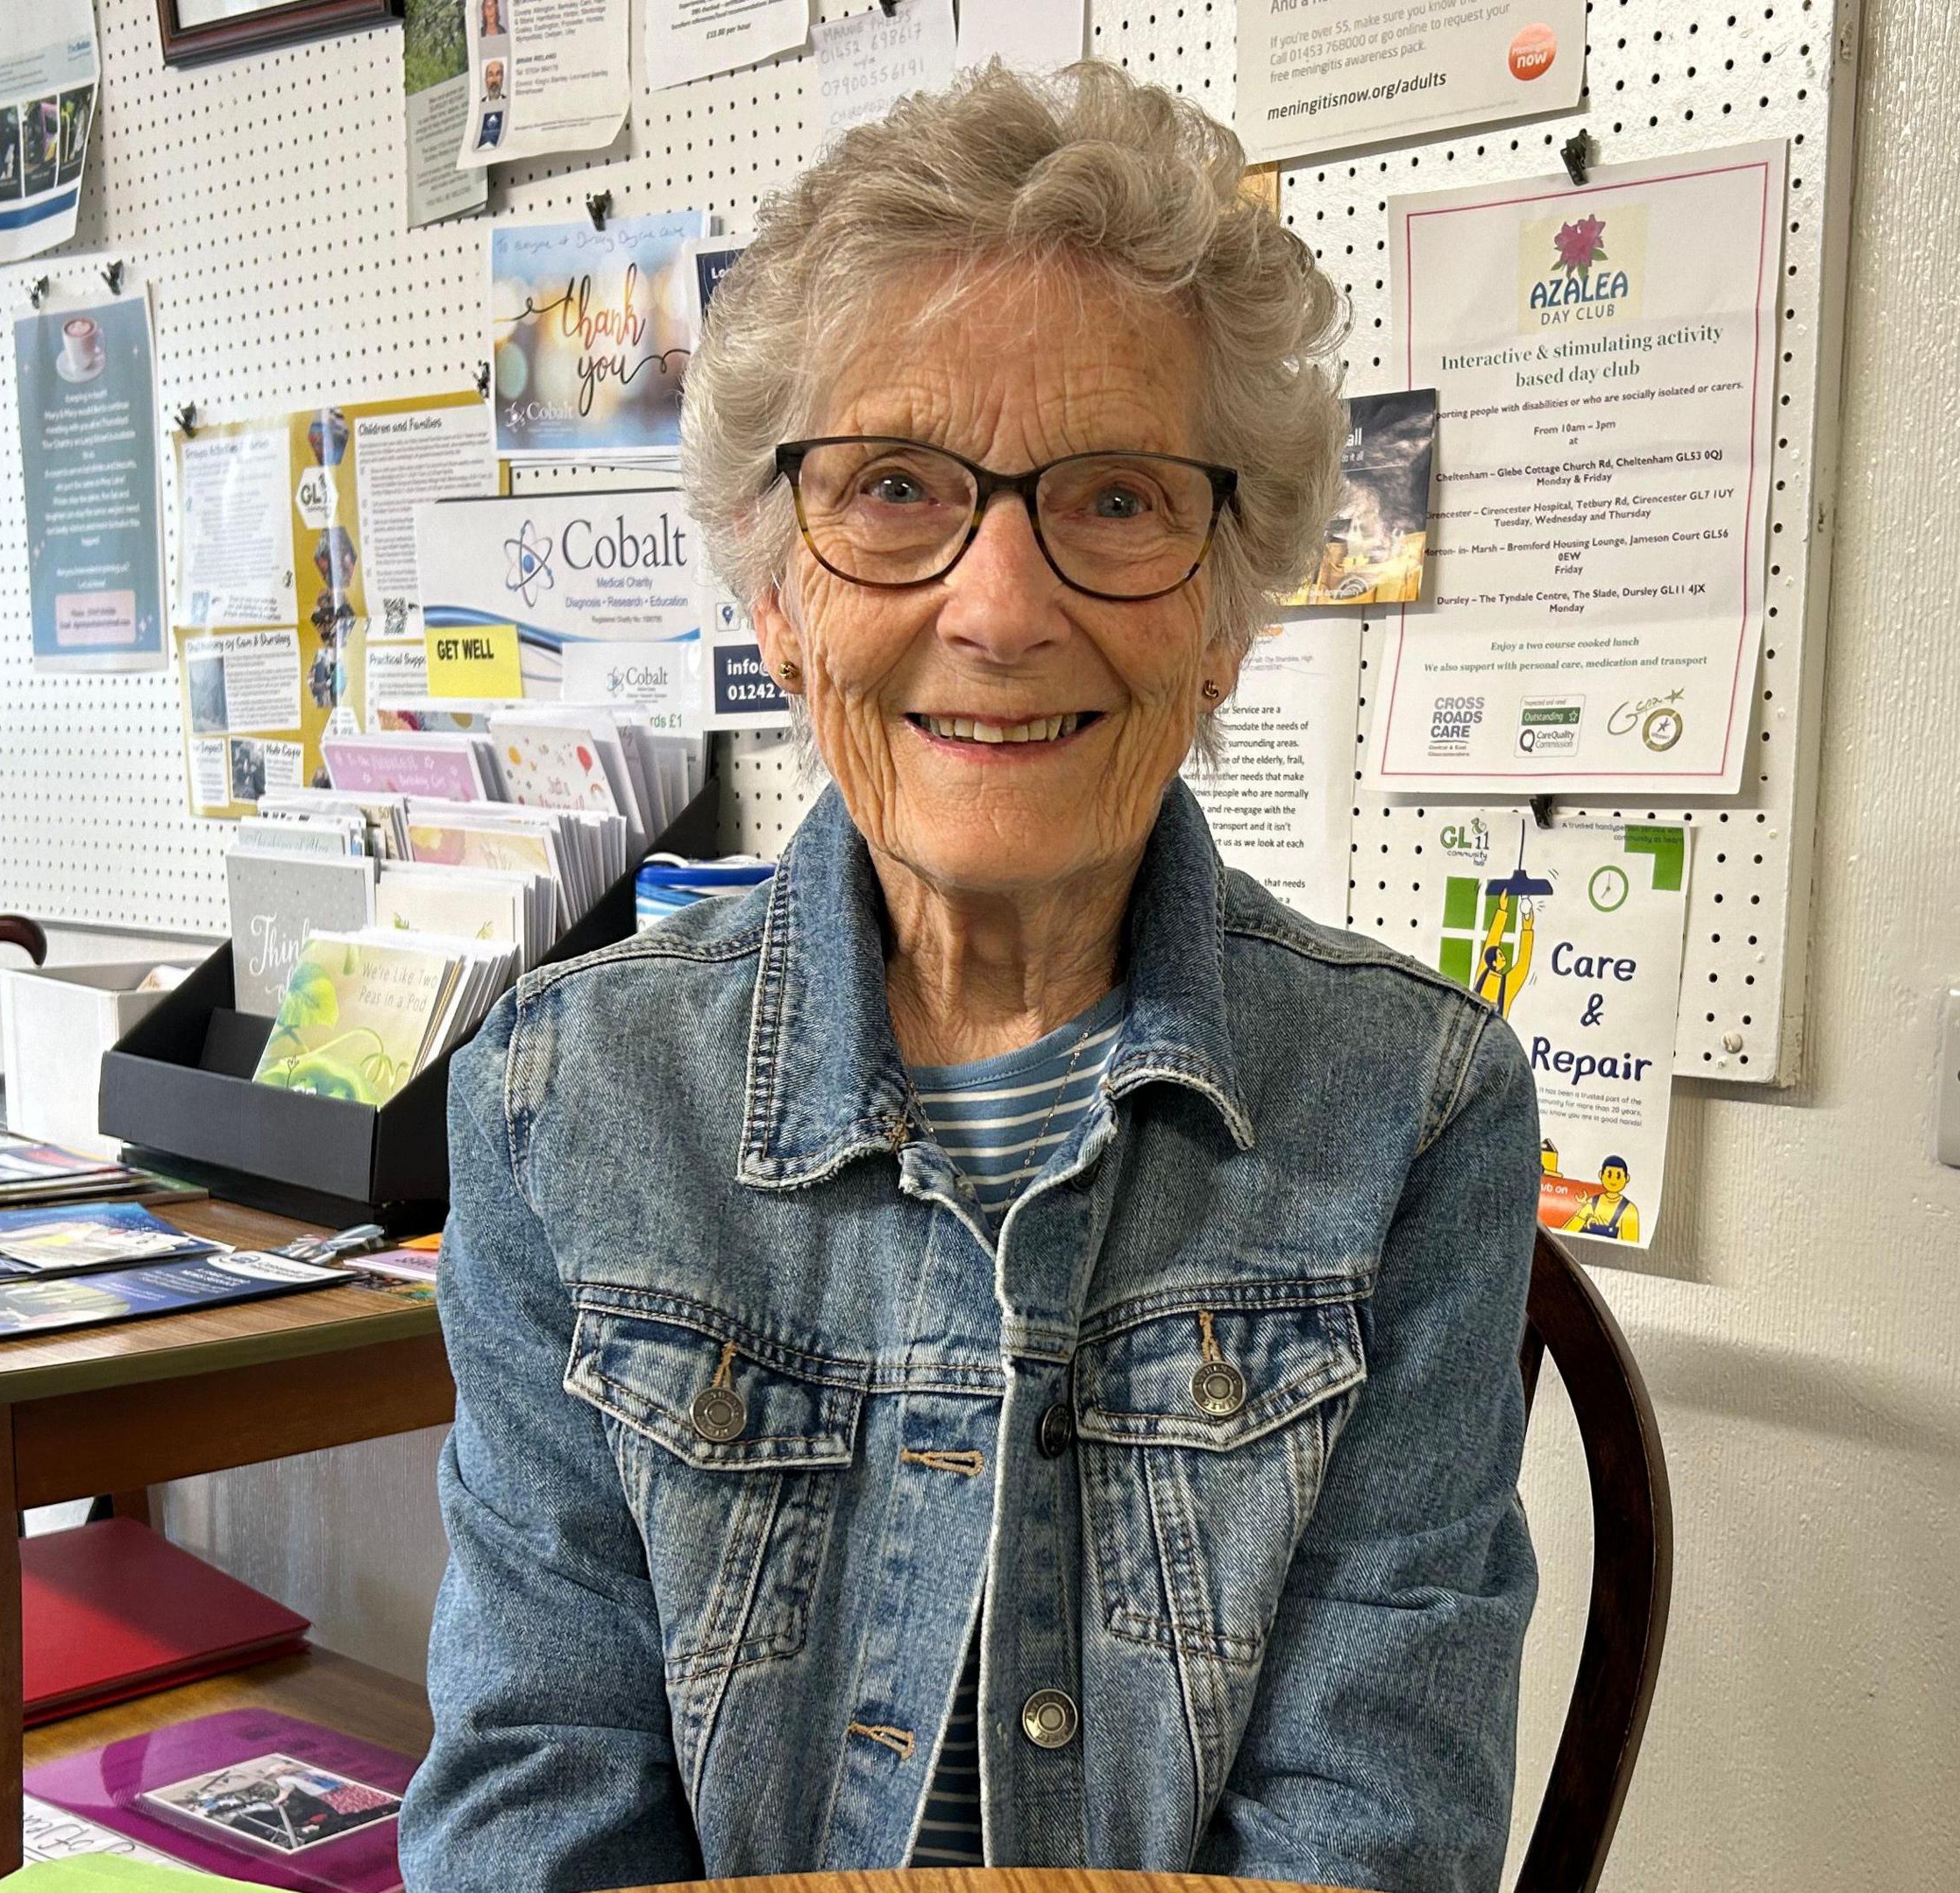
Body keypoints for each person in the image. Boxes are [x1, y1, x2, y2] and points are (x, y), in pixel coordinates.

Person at [401, 62, 1540, 1893]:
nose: (999, 610)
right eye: (896, 488)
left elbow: (1376, 1845)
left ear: (1228, 610)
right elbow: (533, 1823)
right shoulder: (561, 1096)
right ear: (781, 601)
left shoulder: (1416, 1111)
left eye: (1111, 497)